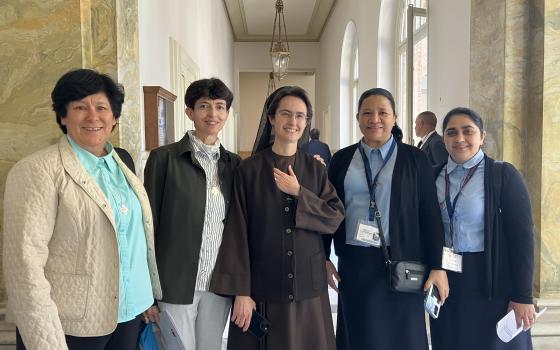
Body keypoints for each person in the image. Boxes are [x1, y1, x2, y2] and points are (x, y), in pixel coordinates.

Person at [3, 68, 161, 350]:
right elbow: (23, 267)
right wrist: (45, 340)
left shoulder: (121, 165)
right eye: (79, 107)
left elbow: (131, 240)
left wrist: (146, 299)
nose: (93, 116)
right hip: (72, 324)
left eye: (101, 107)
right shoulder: (37, 170)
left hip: (128, 315)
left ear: (114, 117)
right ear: (63, 116)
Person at [210, 86, 345, 350]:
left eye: (299, 116)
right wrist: (242, 290)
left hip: (308, 286)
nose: (292, 122)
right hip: (263, 286)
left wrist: (299, 193)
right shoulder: (248, 170)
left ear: (306, 122)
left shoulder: (315, 170)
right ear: (271, 118)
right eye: (285, 114)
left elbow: (334, 217)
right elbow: (237, 231)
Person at [324, 88, 449, 350]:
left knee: (402, 338)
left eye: (383, 112)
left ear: (395, 117)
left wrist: (437, 266)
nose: (375, 119)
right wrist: (324, 257)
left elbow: (429, 214)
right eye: (367, 113)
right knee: (359, 335)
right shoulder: (342, 160)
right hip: (355, 264)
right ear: (358, 118)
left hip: (402, 264)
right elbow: (328, 211)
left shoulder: (414, 159)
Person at [143, 78, 241, 350]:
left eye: (220, 107)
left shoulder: (235, 164)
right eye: (204, 106)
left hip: (218, 282)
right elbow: (147, 226)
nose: (213, 114)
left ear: (227, 113)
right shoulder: (164, 159)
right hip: (174, 282)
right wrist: (147, 293)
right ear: (189, 111)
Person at [430, 107, 536, 350]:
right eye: (451, 132)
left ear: (482, 136)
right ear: (444, 138)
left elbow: (522, 239)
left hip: (490, 278)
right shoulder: (433, 175)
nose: (460, 139)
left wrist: (522, 296)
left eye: (468, 131)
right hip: (447, 278)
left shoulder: (503, 175)